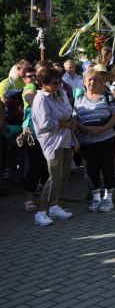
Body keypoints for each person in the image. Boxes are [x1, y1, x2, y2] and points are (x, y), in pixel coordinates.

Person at [31, 64, 76, 226]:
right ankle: (41, 211)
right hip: (52, 142)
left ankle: (54, 206)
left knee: (64, 174)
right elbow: (45, 124)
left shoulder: (59, 93)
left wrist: (67, 121)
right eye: (55, 82)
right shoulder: (40, 98)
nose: (58, 85)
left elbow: (68, 110)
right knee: (55, 176)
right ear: (44, 83)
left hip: (65, 139)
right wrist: (65, 124)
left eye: (59, 82)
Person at [74, 67, 115, 212]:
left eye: (95, 79)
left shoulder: (108, 97)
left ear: (100, 82)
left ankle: (108, 199)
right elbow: (74, 119)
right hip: (87, 140)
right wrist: (83, 128)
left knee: (107, 167)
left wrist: (103, 128)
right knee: (91, 170)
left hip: (106, 138)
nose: (92, 82)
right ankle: (96, 199)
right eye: (89, 80)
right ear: (84, 82)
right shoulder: (79, 99)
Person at [20, 66, 48, 213]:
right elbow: (28, 96)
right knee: (36, 166)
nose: (32, 78)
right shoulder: (30, 87)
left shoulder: (43, 87)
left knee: (45, 167)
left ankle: (46, 199)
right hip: (33, 134)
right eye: (29, 76)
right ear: (24, 79)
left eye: (34, 76)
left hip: (44, 133)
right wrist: (40, 105)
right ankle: (29, 200)